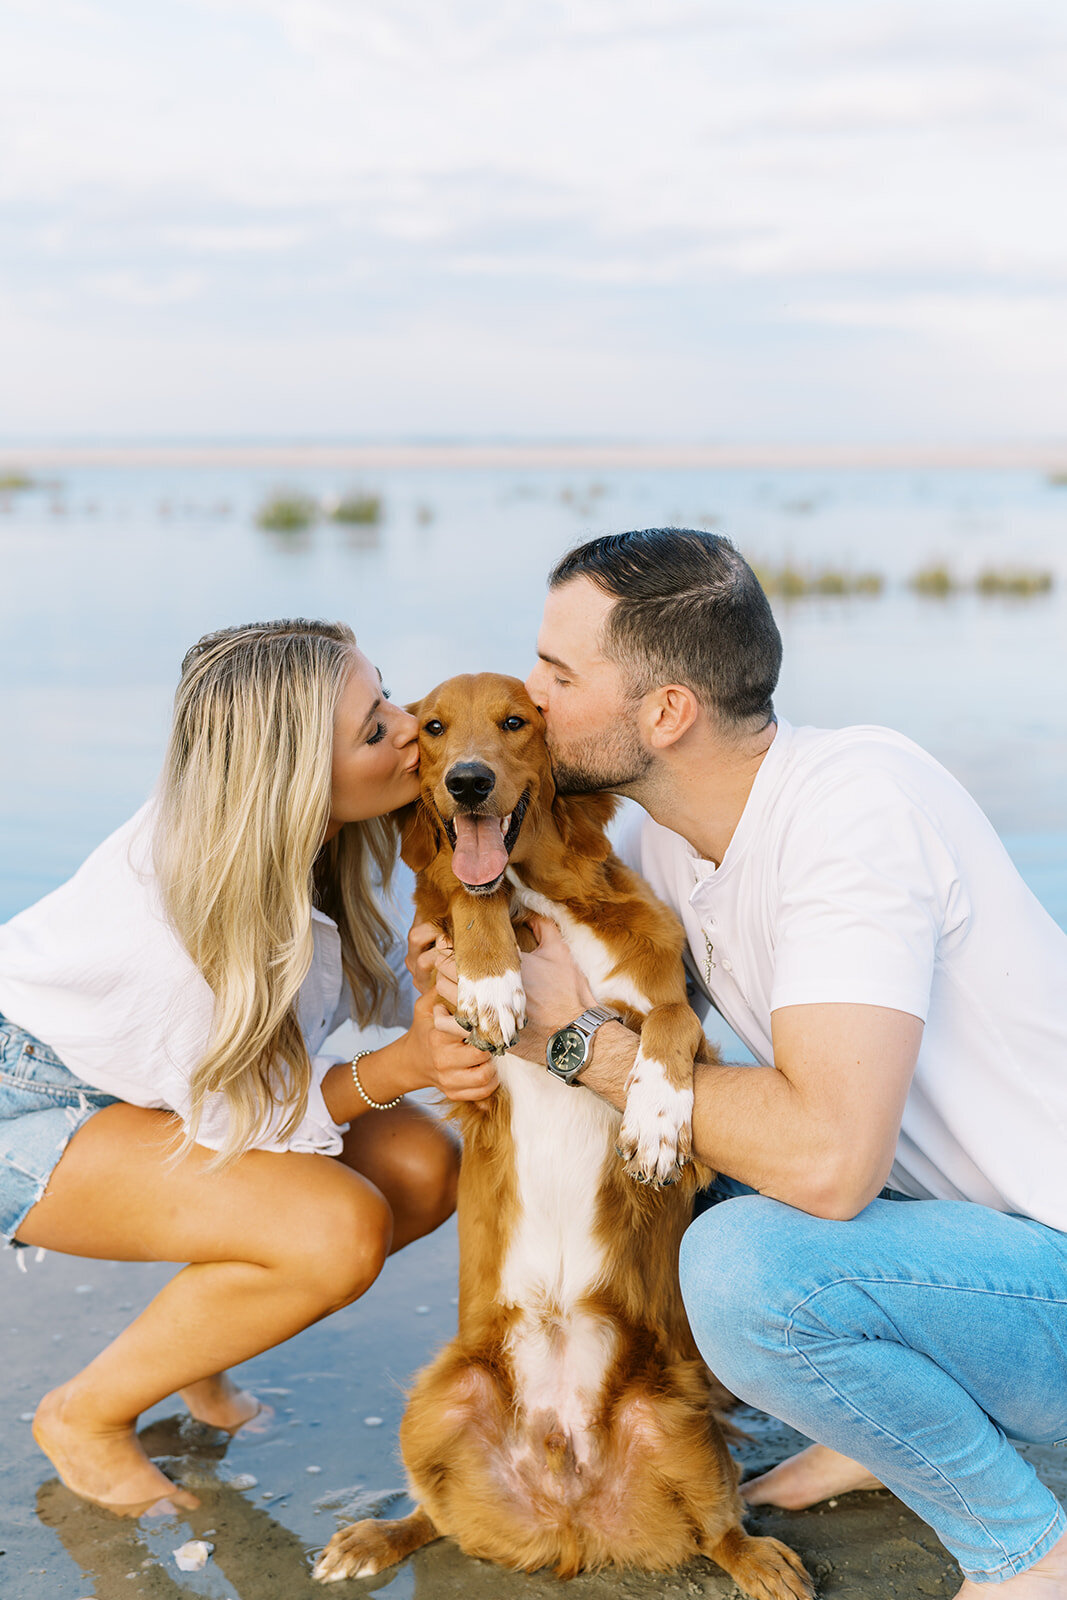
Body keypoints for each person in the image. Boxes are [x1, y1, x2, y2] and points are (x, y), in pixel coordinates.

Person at [507, 529, 1067, 1599]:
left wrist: (578, 1044)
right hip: (978, 1241)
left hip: (1048, 1267)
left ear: (664, 712)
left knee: (741, 1268)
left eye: (558, 673)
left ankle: (1023, 1551)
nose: (529, 695)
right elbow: (543, 938)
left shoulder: (851, 811)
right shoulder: (669, 836)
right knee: (680, 1149)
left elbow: (824, 1163)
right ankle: (883, 1421)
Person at [0, 618, 497, 1515]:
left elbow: (336, 998)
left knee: (421, 1169)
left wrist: (427, 966)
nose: (407, 723)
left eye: (383, 692)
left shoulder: (328, 830)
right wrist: (406, 1064)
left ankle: (197, 1350)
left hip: (150, 1087)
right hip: (30, 1101)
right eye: (372, 728)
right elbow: (246, 1123)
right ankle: (84, 1415)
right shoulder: (177, 928)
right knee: (330, 1231)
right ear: (290, 775)